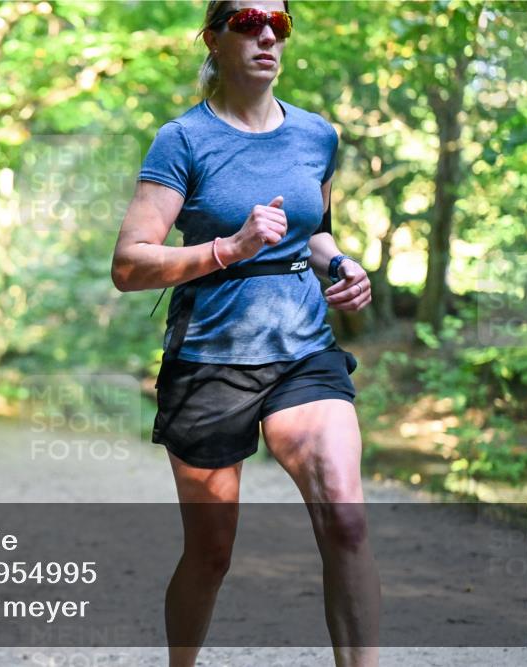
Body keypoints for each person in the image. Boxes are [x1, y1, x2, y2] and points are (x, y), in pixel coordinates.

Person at [110, 2, 379, 666]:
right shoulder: (184, 139)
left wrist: (342, 265)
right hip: (210, 357)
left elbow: (311, 232)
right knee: (211, 551)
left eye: (279, 25)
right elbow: (129, 263)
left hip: (303, 349)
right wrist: (226, 248)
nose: (266, 35)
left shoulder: (318, 135)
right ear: (215, 39)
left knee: (346, 519)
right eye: (248, 22)